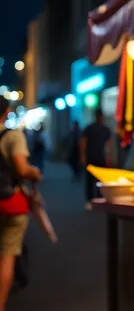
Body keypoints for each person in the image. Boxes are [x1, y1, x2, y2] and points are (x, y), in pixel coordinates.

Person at [0, 98, 42, 310]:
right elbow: (22, 169)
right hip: (8, 202)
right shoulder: (12, 136)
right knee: (7, 255)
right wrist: (35, 172)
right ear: (6, 112)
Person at [80, 109, 112, 210]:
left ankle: (92, 201)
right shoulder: (105, 129)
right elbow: (109, 146)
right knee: (98, 181)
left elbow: (83, 143)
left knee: (91, 181)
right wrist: (109, 157)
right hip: (99, 157)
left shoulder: (90, 128)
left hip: (92, 157)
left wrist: (83, 156)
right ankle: (98, 200)